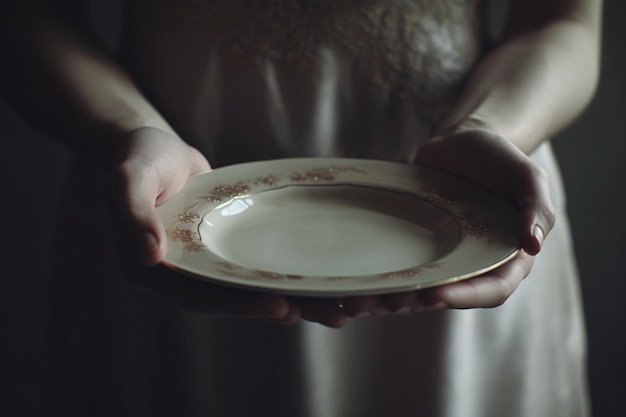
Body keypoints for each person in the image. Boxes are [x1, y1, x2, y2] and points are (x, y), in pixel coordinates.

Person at [0, 0, 601, 416]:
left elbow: (562, 19)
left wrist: (488, 126)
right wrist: (129, 132)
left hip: (467, 198)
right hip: (169, 196)